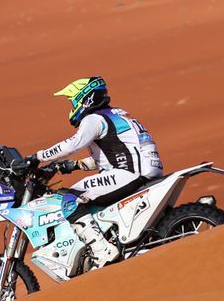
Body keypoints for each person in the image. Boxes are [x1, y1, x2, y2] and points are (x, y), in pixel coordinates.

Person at [33, 76, 163, 267]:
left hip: (129, 172)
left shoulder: (93, 119)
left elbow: (73, 144)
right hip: (140, 168)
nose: (71, 107)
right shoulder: (116, 114)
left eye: (72, 101)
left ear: (84, 99)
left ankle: (103, 250)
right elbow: (113, 155)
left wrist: (38, 157)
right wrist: (74, 166)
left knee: (71, 198)